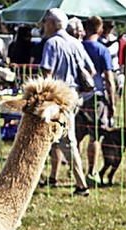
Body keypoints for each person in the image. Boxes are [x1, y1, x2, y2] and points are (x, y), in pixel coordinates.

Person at [39, 7, 93, 196]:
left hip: (59, 97)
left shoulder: (51, 43)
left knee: (67, 141)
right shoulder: (76, 43)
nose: (44, 26)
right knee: (57, 137)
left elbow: (47, 73)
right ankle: (53, 176)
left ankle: (81, 185)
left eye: (45, 22)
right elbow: (91, 70)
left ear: (53, 24)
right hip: (75, 96)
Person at [77, 15, 116, 186]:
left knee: (76, 137)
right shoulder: (102, 50)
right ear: (100, 30)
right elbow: (109, 78)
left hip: (78, 96)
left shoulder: (77, 47)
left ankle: (75, 170)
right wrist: (112, 102)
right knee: (95, 137)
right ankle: (91, 172)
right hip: (96, 97)